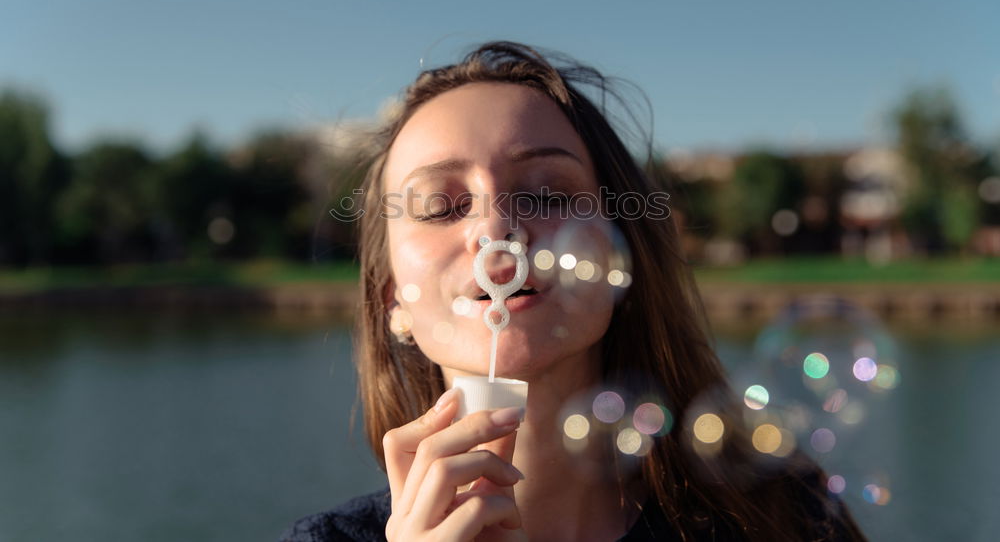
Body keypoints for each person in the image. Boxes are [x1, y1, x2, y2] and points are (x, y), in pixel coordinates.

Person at [281, 42, 867, 541]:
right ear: (391, 299)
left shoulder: (784, 520)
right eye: (441, 206)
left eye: (545, 194)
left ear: (622, 255)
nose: (495, 230)